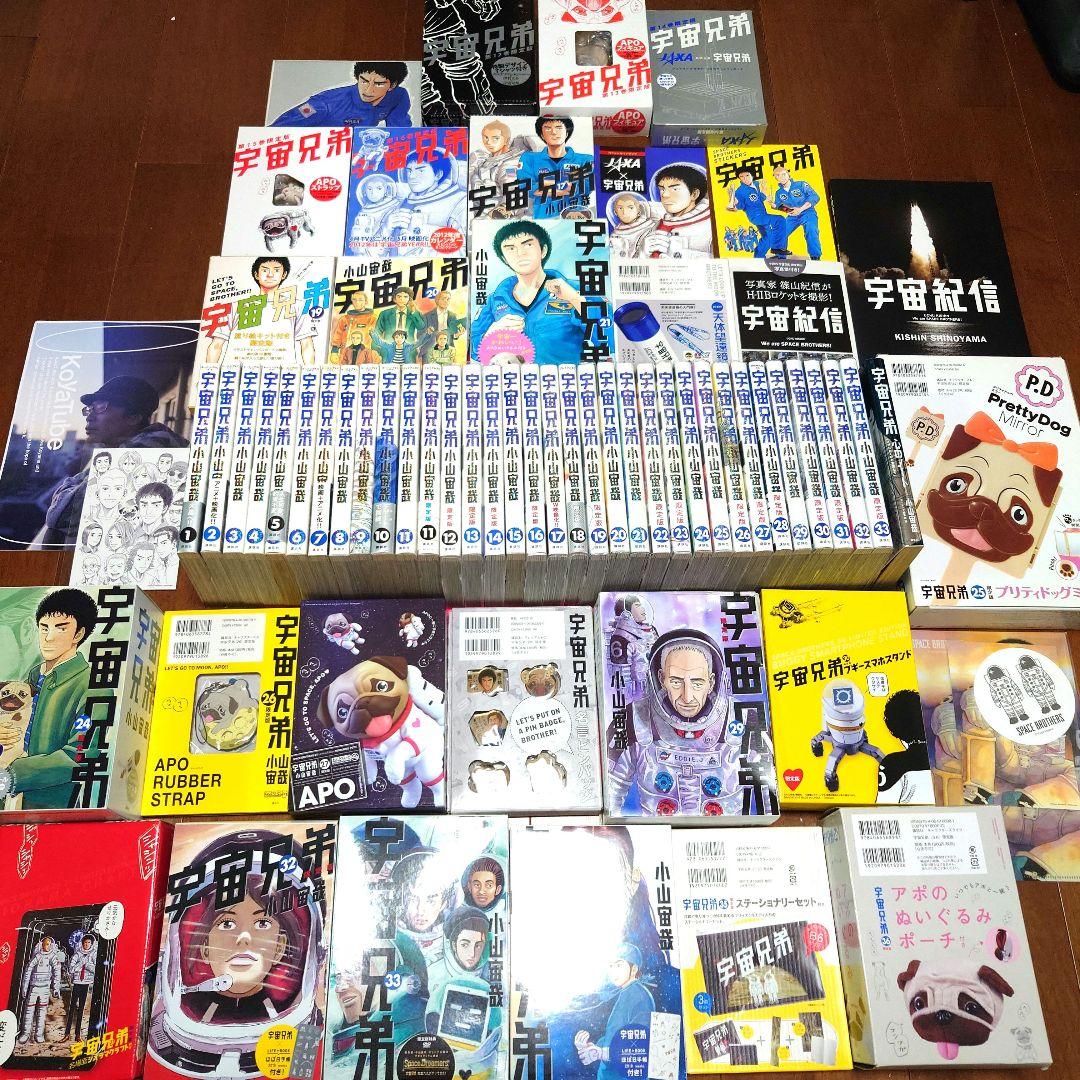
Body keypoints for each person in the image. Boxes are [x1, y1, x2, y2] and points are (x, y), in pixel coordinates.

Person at [33, 377, 185, 549]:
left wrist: (71, 486)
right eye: (89, 409)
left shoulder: (145, 451)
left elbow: (63, 516)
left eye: (101, 407)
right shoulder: (126, 448)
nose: (90, 417)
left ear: (133, 416)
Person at [0, 589, 97, 810]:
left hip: (49, 801)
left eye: (61, 628)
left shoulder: (89, 684)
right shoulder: (34, 676)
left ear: (79, 634)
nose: (48, 637)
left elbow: (78, 755)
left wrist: (11, 775)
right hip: (9, 795)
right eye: (44, 628)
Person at [471, 220, 590, 366]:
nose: (520, 253)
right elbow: (473, 350)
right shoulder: (495, 299)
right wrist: (490, 334)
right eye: (511, 248)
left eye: (528, 245)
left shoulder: (575, 289)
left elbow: (607, 335)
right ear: (504, 258)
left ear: (543, 250)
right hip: (512, 378)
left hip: (564, 377)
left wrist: (574, 299)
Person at [204, 257, 320, 368]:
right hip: (235, 375)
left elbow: (307, 345)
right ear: (256, 274)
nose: (270, 274)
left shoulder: (298, 306)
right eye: (265, 270)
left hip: (283, 376)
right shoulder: (235, 307)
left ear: (284, 274)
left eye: (276, 270)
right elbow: (216, 345)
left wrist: (309, 373)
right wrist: (209, 374)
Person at [574, 943, 655, 1080]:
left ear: (634, 968)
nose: (613, 971)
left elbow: (640, 1046)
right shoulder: (625, 993)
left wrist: (600, 1053)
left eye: (619, 965)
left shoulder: (639, 996)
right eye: (611, 966)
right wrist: (591, 1048)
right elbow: (613, 1036)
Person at [273, 62, 412, 127]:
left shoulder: (398, 97)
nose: (368, 90)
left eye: (378, 84)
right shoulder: (324, 104)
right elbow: (276, 131)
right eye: (364, 81)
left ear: (392, 86)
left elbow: (399, 134)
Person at [384, 149, 467, 252]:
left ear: (438, 175)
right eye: (409, 171)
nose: (411, 176)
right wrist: (385, 230)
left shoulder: (459, 201)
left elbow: (465, 248)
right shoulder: (403, 203)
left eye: (420, 170)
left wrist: (421, 232)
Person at [516, 116, 593, 220]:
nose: (553, 132)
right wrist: (566, 185)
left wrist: (543, 186)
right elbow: (526, 187)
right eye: (548, 128)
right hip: (544, 220)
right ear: (542, 135)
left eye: (559, 127)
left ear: (567, 133)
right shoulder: (529, 158)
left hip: (575, 218)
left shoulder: (586, 160)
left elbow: (587, 187)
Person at [642, 164, 714, 259]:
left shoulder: (711, 224)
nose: (665, 195)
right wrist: (643, 253)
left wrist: (678, 255)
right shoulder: (659, 224)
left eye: (675, 189)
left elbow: (722, 259)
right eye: (662, 189)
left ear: (694, 194)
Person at [468, 120, 536, 218]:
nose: (488, 142)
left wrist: (503, 209)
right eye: (486, 137)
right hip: (480, 216)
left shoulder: (511, 163)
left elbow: (514, 188)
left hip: (498, 219)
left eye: (495, 138)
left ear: (506, 140)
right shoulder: (482, 159)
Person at [727, 166, 791, 258]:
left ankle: (759, 257)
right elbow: (741, 206)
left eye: (747, 175)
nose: (745, 179)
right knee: (780, 220)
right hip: (756, 217)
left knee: (767, 237)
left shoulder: (756, 184)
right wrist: (735, 200)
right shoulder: (740, 191)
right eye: (741, 177)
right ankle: (778, 249)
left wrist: (764, 191)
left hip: (763, 215)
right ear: (739, 178)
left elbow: (759, 198)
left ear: (752, 175)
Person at [770, 164, 823, 258]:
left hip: (807, 212)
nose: (781, 177)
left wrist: (800, 209)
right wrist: (773, 205)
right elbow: (778, 205)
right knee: (781, 231)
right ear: (775, 178)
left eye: (783, 174)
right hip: (792, 215)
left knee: (811, 229)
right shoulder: (779, 193)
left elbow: (815, 197)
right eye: (777, 175)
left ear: (788, 174)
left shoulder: (801, 184)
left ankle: (815, 256)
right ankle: (780, 256)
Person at [17, 935, 63, 1045]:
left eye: (49, 944)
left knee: (42, 1012)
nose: (47, 946)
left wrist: (56, 988)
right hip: (34, 987)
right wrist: (25, 987)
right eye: (45, 944)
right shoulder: (37, 956)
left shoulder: (53, 957)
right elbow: (28, 971)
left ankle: (39, 1035)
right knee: (29, 1011)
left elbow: (57, 973)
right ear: (41, 945)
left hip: (45, 988)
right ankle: (25, 1033)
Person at [63, 933, 98, 1041]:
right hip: (77, 982)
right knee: (72, 1008)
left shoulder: (93, 954)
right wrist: (81, 964)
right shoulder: (77, 954)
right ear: (82, 943)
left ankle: (77, 1035)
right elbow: (71, 969)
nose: (86, 944)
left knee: (81, 1009)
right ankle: (67, 1034)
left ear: (91, 944)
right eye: (85, 942)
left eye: (88, 942)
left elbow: (95, 969)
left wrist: (87, 965)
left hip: (86, 983)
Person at [330, 289, 378, 363]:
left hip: (365, 354)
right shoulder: (345, 319)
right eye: (355, 300)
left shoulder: (372, 318)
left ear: (366, 302)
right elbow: (338, 335)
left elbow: (376, 337)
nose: (357, 302)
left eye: (360, 300)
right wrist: (334, 351)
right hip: (346, 354)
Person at [608, 192, 659, 258]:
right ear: (615, 212)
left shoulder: (651, 228)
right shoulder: (615, 236)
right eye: (620, 208)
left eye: (630, 208)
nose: (625, 212)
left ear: (639, 211)